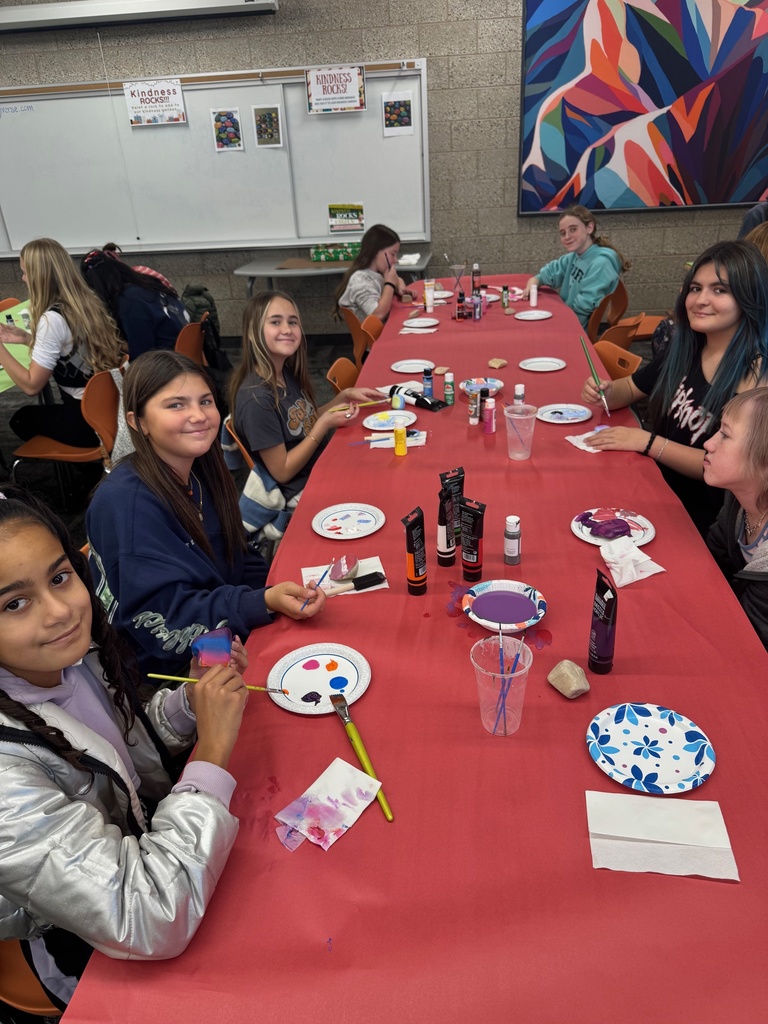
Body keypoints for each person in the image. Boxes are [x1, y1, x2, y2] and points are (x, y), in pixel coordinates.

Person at [0, 484, 247, 1010]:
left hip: (159, 855)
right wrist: (212, 752)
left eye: (61, 577)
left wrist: (190, 703)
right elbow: (148, 916)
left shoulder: (72, 658)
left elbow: (119, 757)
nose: (61, 612)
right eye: (15, 603)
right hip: (94, 957)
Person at [86, 350, 326, 677]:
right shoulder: (127, 505)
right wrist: (263, 602)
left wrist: (276, 587)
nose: (198, 415)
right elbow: (166, 625)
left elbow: (238, 553)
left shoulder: (200, 471)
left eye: (205, 401)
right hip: (170, 666)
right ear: (137, 422)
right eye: (176, 405)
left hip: (224, 622)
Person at [581, 240, 768, 536]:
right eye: (695, 288)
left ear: (749, 297)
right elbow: (630, 388)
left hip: (697, 520)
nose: (700, 300)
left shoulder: (756, 377)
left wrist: (647, 442)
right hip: (652, 486)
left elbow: (726, 464)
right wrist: (603, 390)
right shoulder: (687, 348)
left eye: (719, 290)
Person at [231, 290, 382, 503]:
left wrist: (345, 397)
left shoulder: (284, 373)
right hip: (301, 490)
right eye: (275, 322)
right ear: (251, 332)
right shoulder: (257, 401)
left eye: (293, 322)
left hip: (320, 465)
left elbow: (305, 421)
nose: (287, 329)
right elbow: (282, 471)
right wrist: (323, 426)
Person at [0, 237, 123, 446]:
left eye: (25, 272)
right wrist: (27, 338)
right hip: (110, 406)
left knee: (21, 419)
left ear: (40, 277)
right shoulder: (86, 301)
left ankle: (83, 470)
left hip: (86, 418)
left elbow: (31, 386)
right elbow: (72, 348)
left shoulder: (52, 319)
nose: (22, 278)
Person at [704, 389, 768, 650]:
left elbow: (748, 641)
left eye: (725, 435)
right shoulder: (738, 502)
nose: (709, 443)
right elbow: (710, 559)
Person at [523, 205, 630, 328]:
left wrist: (553, 325)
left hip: (576, 331)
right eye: (563, 233)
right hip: (567, 319)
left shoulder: (601, 263)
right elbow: (548, 273)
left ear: (589, 228)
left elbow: (582, 310)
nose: (567, 237)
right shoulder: (574, 256)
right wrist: (534, 282)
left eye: (573, 230)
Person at [81, 248, 190, 360]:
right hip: (186, 352)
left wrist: (118, 346)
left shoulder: (129, 301)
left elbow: (142, 355)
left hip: (168, 362)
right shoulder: (146, 281)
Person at [334, 223, 414, 323]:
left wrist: (401, 288)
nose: (396, 260)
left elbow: (398, 280)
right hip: (377, 336)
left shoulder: (379, 273)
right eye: (392, 254)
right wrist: (389, 284)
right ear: (376, 251)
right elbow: (377, 315)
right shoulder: (360, 280)